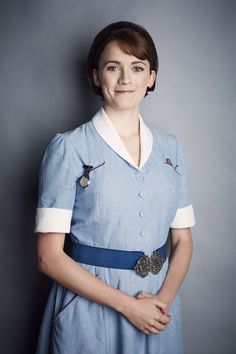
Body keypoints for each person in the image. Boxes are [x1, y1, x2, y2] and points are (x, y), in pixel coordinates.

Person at [34, 20, 196, 354]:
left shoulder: (171, 149)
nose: (125, 79)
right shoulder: (69, 148)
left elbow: (182, 240)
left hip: (157, 310)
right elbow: (49, 257)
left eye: (137, 67)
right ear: (95, 76)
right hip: (91, 310)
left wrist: (161, 302)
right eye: (113, 67)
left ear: (151, 77)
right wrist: (128, 306)